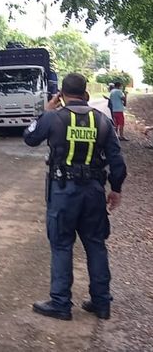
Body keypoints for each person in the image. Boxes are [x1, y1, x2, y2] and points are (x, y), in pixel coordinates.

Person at [24, 72, 127, 321]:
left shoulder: (54, 118)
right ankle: (102, 303)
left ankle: (61, 303)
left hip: (63, 192)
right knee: (95, 244)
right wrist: (116, 189)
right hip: (93, 192)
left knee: (61, 245)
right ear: (86, 94)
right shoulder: (102, 121)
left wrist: (46, 112)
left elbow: (30, 137)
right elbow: (117, 162)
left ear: (61, 95)